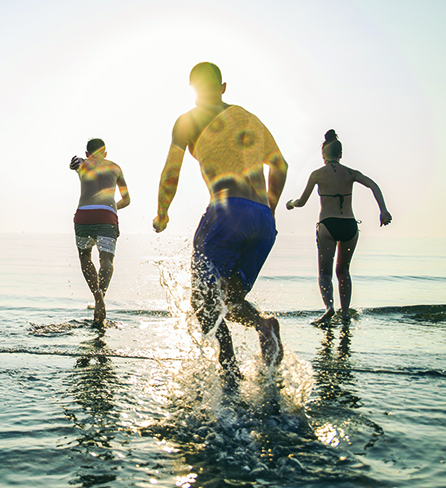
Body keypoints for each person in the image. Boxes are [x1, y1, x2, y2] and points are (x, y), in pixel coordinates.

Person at [153, 62, 288, 385]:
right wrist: (268, 210)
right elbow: (280, 165)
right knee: (230, 300)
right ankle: (264, 325)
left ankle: (229, 372)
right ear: (223, 88)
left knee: (202, 303)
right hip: (263, 223)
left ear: (193, 90)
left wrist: (162, 212)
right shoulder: (248, 117)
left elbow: (172, 170)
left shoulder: (187, 121)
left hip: (227, 212)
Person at [286, 129, 391, 325]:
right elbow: (373, 185)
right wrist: (383, 210)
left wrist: (290, 203)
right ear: (340, 154)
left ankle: (329, 308)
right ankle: (344, 314)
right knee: (343, 271)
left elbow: (302, 201)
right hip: (350, 226)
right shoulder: (351, 173)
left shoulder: (317, 174)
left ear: (323, 155)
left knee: (325, 273)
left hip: (328, 225)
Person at [70, 138, 130, 327]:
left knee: (85, 257)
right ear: (105, 153)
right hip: (107, 217)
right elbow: (126, 199)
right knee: (106, 260)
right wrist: (111, 208)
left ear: (88, 154)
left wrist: (78, 163)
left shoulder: (83, 165)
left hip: (83, 216)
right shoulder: (116, 168)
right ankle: (101, 294)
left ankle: (95, 293)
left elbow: (76, 163)